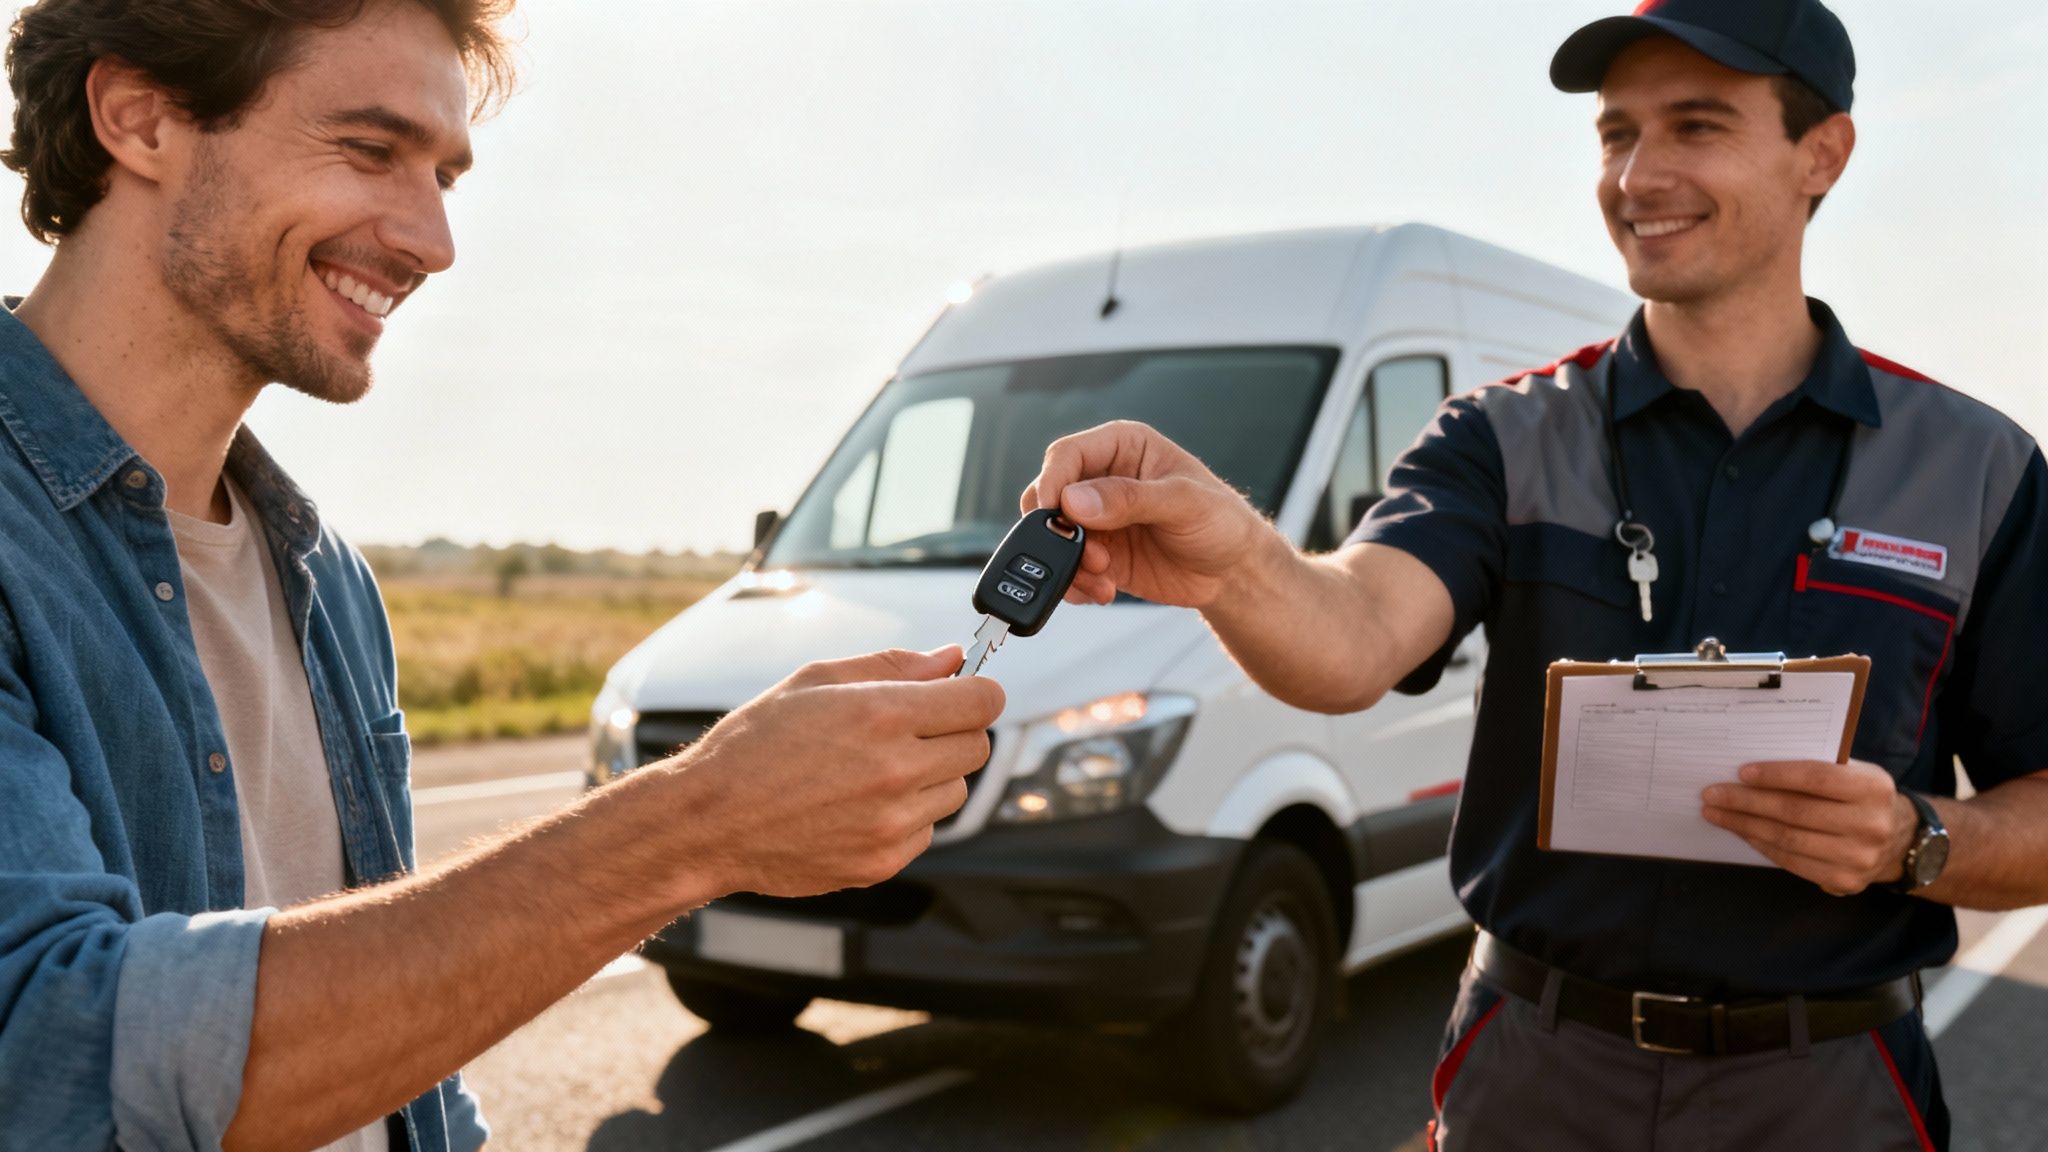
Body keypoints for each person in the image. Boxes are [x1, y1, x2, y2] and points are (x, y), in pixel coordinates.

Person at [1022, 1, 2047, 1148]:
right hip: (1534, 1079)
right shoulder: (1498, 441)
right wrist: (1230, 557)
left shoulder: (1976, 469)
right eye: (1615, 134)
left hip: (1828, 1093)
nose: (1636, 175)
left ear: (1822, 152)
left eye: (1695, 125)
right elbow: (1353, 636)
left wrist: (1912, 841)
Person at [0, 2, 1003, 1149]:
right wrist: (695, 822)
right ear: (139, 117)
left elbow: (404, 1077)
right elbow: (47, 1053)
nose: (432, 241)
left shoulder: (326, 580)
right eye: (370, 151)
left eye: (444, 176)